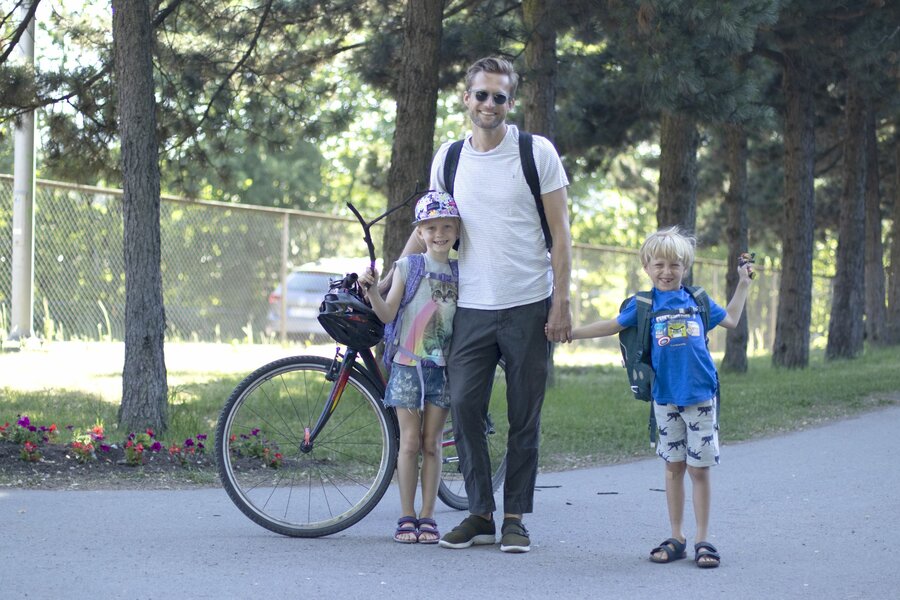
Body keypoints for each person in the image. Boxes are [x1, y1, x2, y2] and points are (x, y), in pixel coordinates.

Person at [395, 56, 572, 553]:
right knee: (466, 409)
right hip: (468, 307)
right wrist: (392, 273)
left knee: (524, 416)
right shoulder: (448, 158)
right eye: (481, 95)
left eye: (499, 96)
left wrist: (561, 302)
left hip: (529, 304)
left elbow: (561, 235)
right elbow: (429, 227)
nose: (488, 104)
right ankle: (479, 513)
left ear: (510, 102)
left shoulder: (536, 153)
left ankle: (514, 515)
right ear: (466, 98)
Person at [566, 226, 754, 568]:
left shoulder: (697, 300)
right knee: (673, 469)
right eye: (659, 265)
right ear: (646, 267)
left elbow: (732, 319)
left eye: (674, 265)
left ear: (686, 267)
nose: (666, 272)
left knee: (699, 471)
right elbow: (610, 325)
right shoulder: (644, 305)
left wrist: (743, 283)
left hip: (700, 398)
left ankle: (703, 539)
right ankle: (677, 536)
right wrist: (572, 334)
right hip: (665, 400)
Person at [361, 191, 461, 544]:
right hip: (406, 366)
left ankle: (428, 516)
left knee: (432, 443)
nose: (439, 233)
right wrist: (373, 292)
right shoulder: (409, 267)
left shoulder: (461, 273)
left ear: (457, 230)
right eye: (431, 227)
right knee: (409, 442)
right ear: (419, 232)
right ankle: (406, 516)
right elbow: (388, 314)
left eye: (447, 226)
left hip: (443, 370)